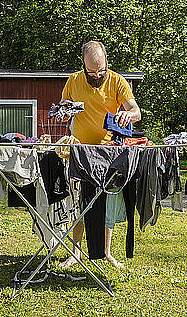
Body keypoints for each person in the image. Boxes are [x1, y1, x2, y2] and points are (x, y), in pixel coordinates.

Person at [60, 40, 141, 268]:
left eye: (101, 70)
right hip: (79, 150)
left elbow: (136, 111)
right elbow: (63, 108)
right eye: (92, 72)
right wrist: (64, 114)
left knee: (106, 202)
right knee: (79, 202)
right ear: (83, 65)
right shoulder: (74, 81)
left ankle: (106, 252)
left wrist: (129, 115)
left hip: (108, 152)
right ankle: (75, 252)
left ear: (106, 61)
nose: (97, 75)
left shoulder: (116, 80)